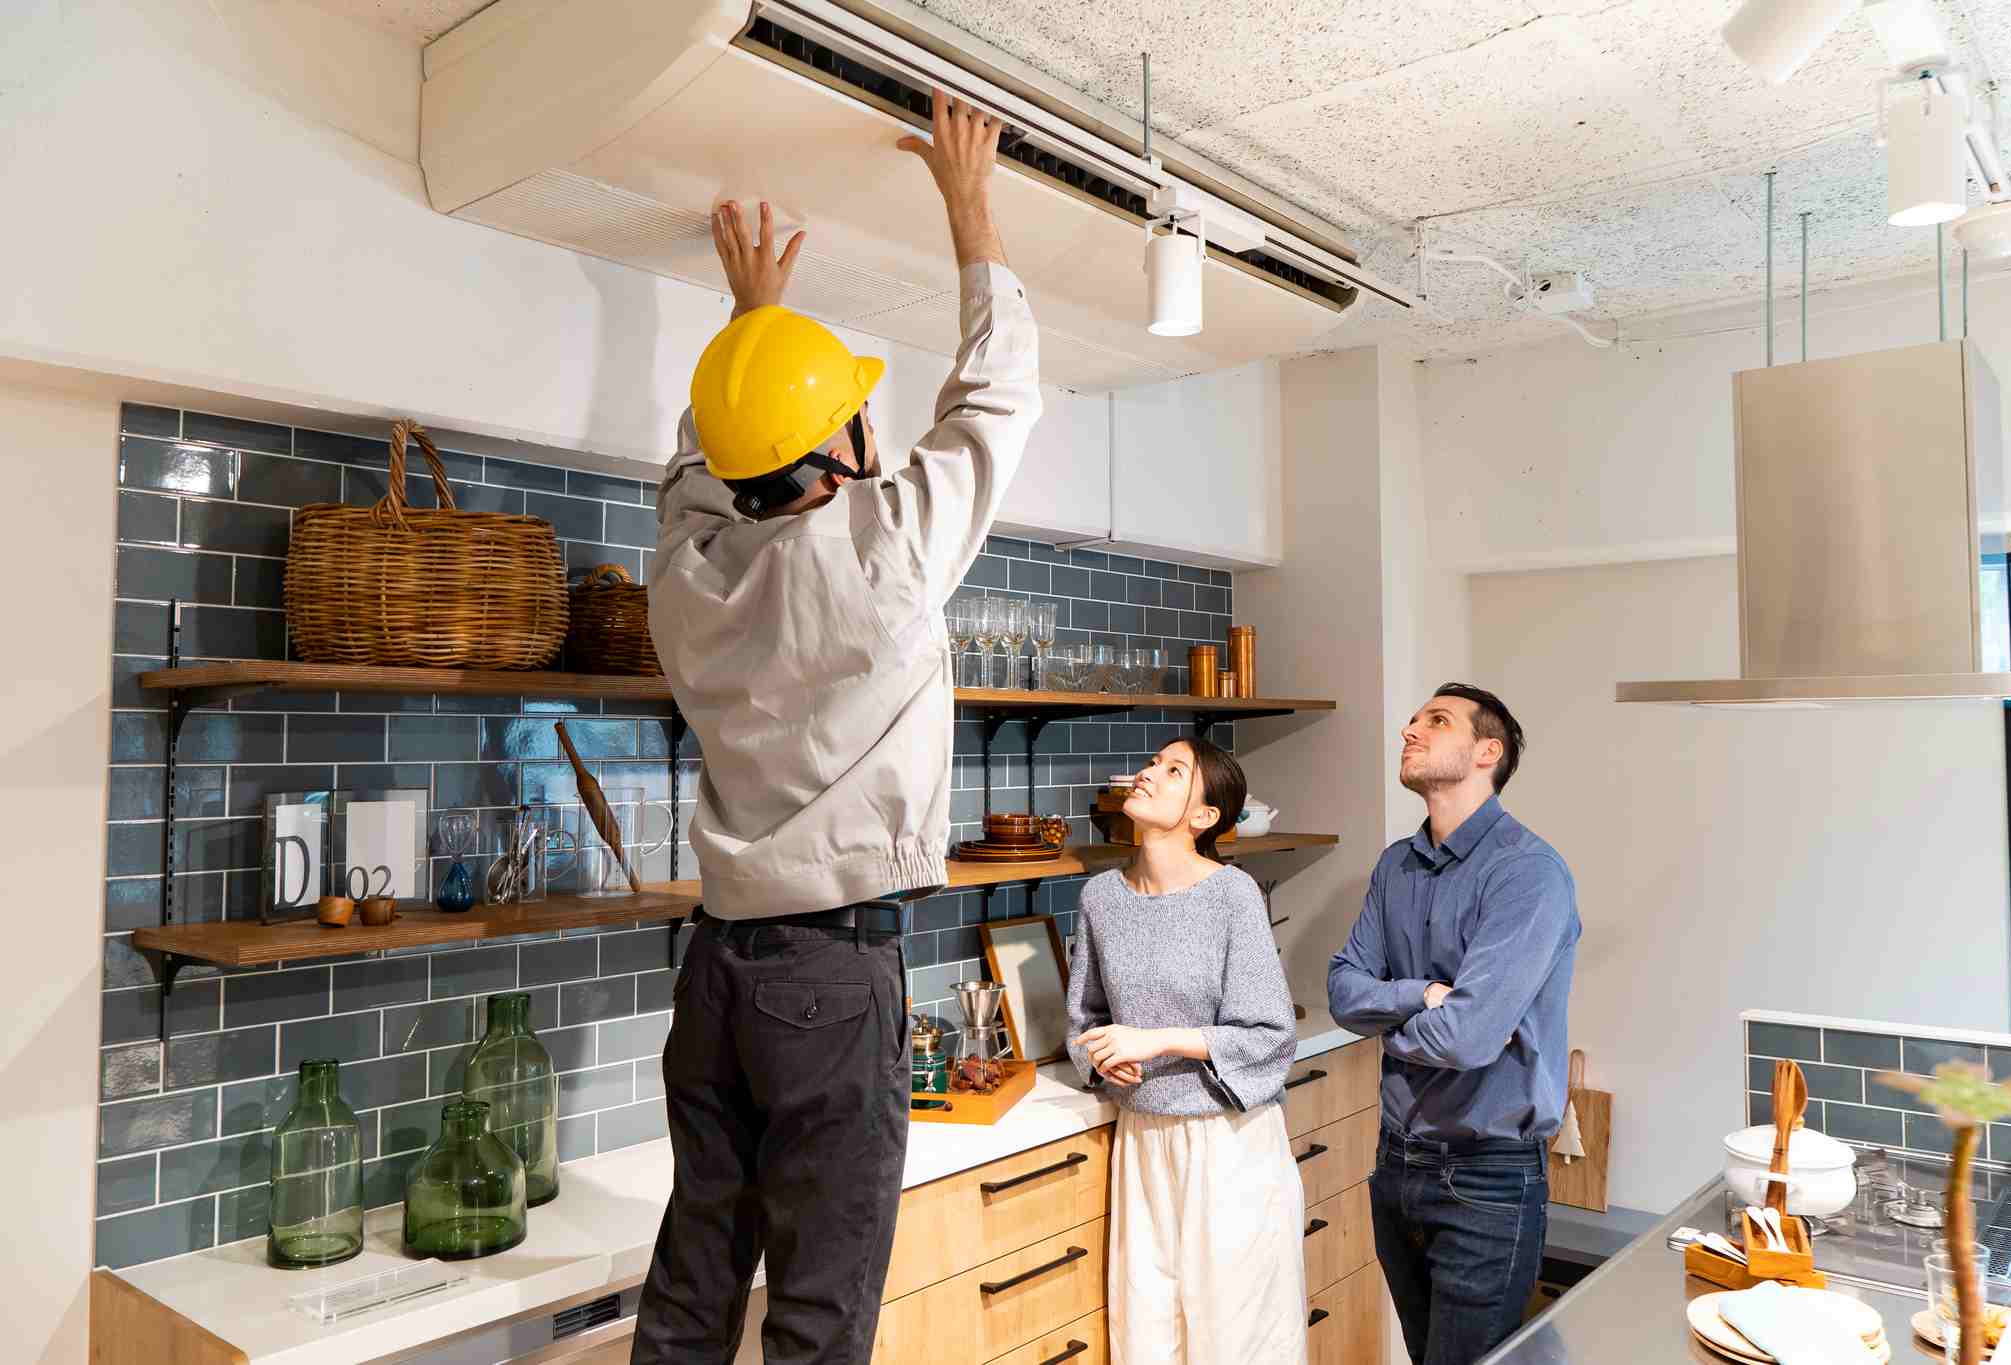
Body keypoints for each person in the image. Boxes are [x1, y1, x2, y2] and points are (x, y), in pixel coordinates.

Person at [634, 91, 1039, 1365]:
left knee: (696, 1280)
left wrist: (755, 335)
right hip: (828, 978)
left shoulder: (686, 577)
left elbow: (709, 471)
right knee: (820, 1310)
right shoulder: (886, 543)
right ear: (849, 440)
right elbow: (993, 403)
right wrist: (970, 208)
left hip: (715, 979)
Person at [1326, 684, 1580, 1365]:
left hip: (1487, 1176)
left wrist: (1392, 1023)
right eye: (1412, 720)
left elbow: (1466, 1037)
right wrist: (1422, 994)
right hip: (1395, 1163)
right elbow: (1344, 990)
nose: (1409, 730)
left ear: (1485, 752)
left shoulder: (1527, 873)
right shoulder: (1395, 865)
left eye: (1434, 721)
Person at [1066, 737, 1307, 1365]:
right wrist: (1100, 1056)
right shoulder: (1100, 899)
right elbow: (1083, 1019)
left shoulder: (1232, 895)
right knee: (1147, 1337)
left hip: (1229, 1143)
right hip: (1143, 1139)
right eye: (1152, 762)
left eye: (1174, 771)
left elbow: (1271, 1034)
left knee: (1237, 1340)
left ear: (1204, 817)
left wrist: (1159, 1040)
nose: (1148, 773)